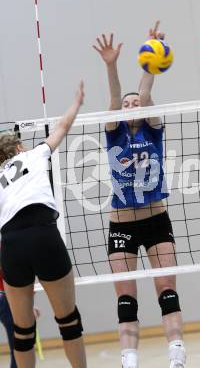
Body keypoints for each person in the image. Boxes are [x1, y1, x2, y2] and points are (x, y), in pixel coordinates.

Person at [93, 22, 186, 368]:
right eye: (128, 103)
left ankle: (176, 353)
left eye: (137, 102)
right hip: (121, 225)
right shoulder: (113, 133)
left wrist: (153, 50)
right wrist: (111, 65)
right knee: (126, 299)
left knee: (167, 290)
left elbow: (145, 96)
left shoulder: (153, 129)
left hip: (156, 220)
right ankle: (129, 359)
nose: (132, 105)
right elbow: (116, 100)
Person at [0, 82, 87, 368]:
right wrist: (76, 102)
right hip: (42, 235)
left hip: (11, 244)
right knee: (68, 320)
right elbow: (62, 127)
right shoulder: (34, 154)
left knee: (22, 331)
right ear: (19, 147)